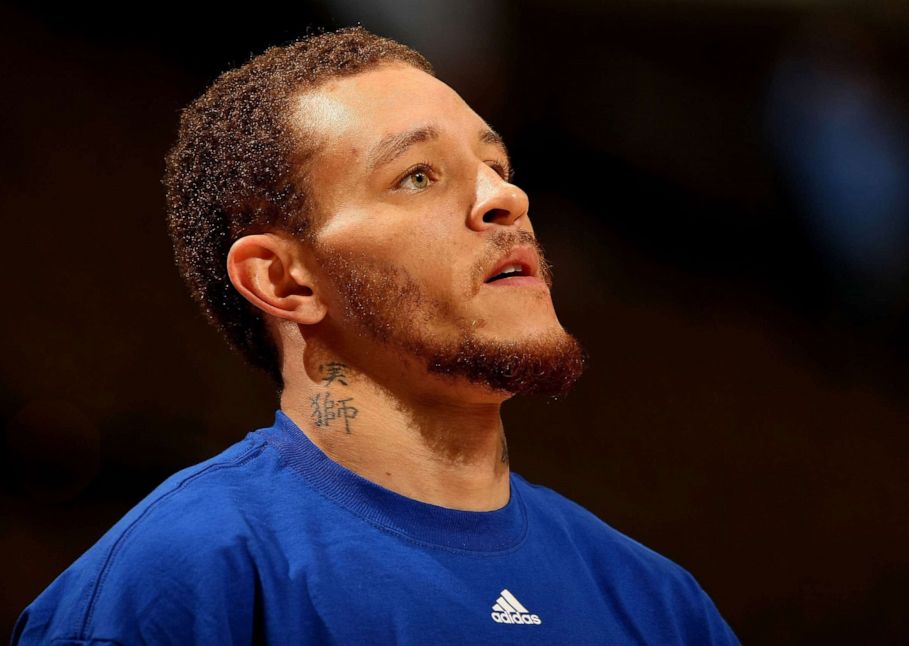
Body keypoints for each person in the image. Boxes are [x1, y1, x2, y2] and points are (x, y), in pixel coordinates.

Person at [12, 27, 739, 645]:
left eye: (496, 167)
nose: (504, 198)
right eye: (418, 176)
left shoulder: (660, 605)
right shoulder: (184, 577)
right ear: (283, 280)